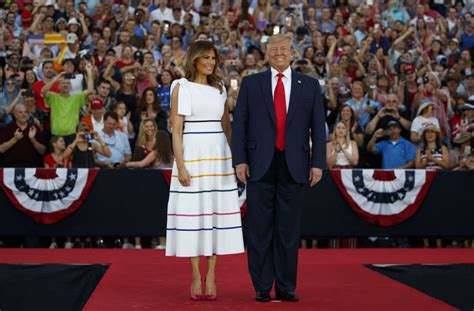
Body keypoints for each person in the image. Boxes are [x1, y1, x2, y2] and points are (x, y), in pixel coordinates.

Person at [232, 34, 326, 303]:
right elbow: (240, 124)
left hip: (295, 166)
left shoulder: (309, 85)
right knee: (259, 229)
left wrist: (317, 163)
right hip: (259, 166)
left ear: (292, 53)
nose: (279, 53)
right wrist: (240, 159)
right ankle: (262, 286)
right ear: (267, 53)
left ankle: (285, 287)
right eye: (274, 49)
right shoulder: (251, 84)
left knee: (288, 230)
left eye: (284, 49)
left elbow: (318, 129)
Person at [165, 40, 244, 301]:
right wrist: (181, 165)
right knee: (193, 215)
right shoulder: (181, 87)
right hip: (192, 154)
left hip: (219, 156)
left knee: (215, 215)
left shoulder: (220, 88)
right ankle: (195, 274)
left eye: (213, 58)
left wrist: (235, 159)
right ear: (194, 59)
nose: (210, 62)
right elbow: (176, 129)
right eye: (206, 57)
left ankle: (211, 274)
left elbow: (227, 127)